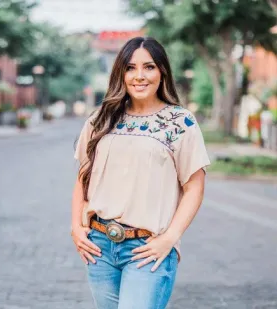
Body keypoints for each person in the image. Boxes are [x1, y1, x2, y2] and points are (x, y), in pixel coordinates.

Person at [71, 37, 210, 309]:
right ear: (121, 73)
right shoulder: (100, 119)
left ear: (162, 72)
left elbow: (194, 187)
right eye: (130, 68)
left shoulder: (180, 122)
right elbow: (82, 178)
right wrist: (76, 227)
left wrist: (170, 239)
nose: (139, 76)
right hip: (99, 246)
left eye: (149, 67)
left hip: (148, 249)